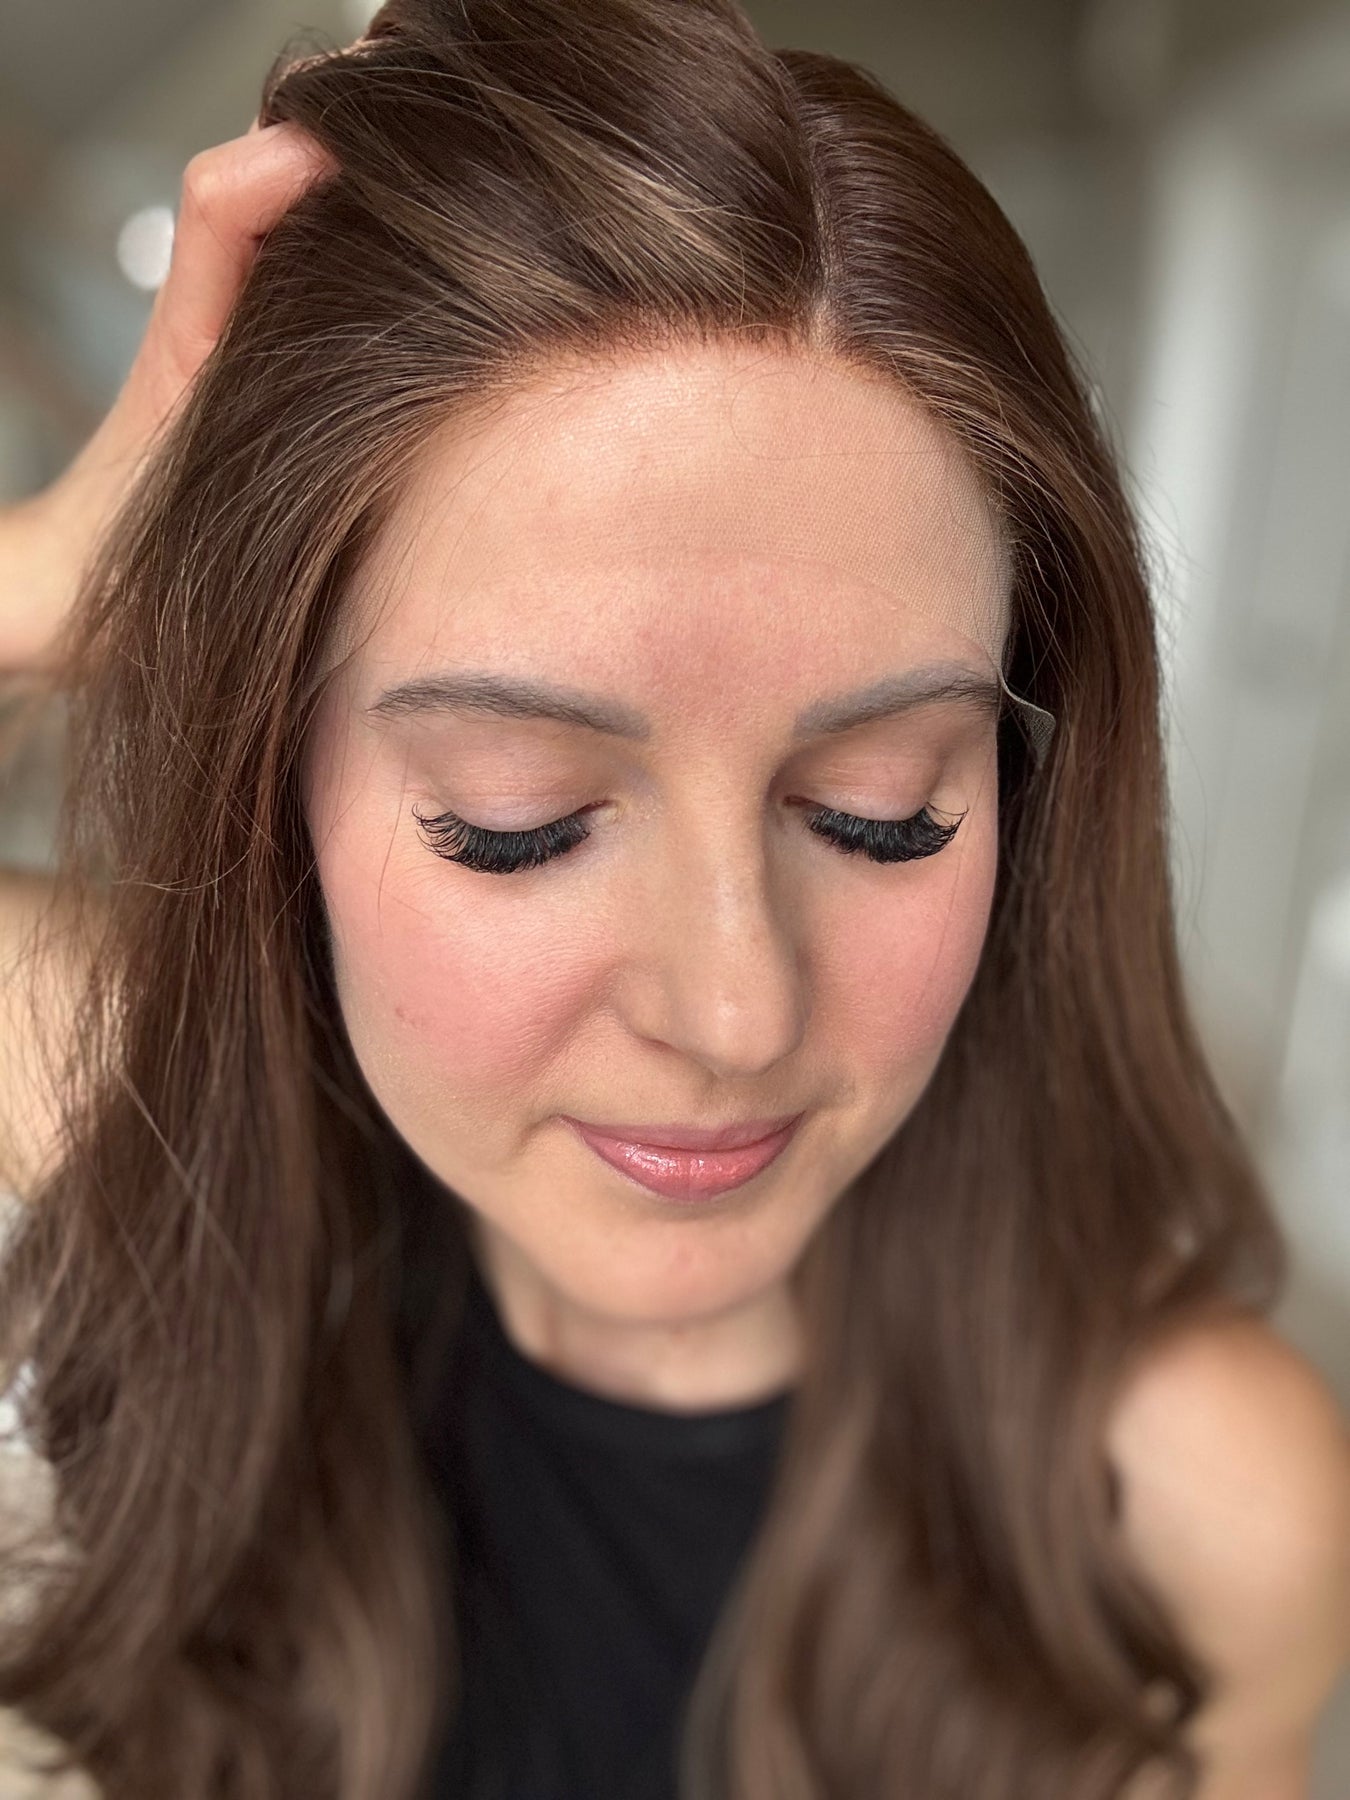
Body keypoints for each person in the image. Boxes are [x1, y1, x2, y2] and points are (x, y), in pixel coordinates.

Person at [0, 2, 1347, 1796]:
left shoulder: (1196, 1507)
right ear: (279, 788)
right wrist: (56, 573)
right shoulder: (155, 1124)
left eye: (880, 815)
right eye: (521, 823)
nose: (735, 1015)